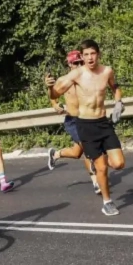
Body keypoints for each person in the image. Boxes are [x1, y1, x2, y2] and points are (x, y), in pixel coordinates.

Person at [45, 39, 126, 216]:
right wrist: (50, 87)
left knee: (119, 163)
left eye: (93, 54)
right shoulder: (76, 75)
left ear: (98, 54)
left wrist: (119, 101)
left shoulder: (107, 71)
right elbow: (56, 93)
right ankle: (107, 201)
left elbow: (115, 87)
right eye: (86, 55)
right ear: (82, 56)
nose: (90, 58)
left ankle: (99, 168)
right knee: (102, 167)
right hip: (85, 125)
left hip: (103, 123)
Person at [47, 50, 101, 195]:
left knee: (77, 153)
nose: (78, 65)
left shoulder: (89, 78)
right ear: (69, 64)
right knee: (88, 148)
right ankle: (96, 182)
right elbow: (53, 97)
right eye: (75, 63)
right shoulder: (64, 81)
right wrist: (55, 105)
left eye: (80, 62)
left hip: (87, 119)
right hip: (72, 121)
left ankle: (55, 154)